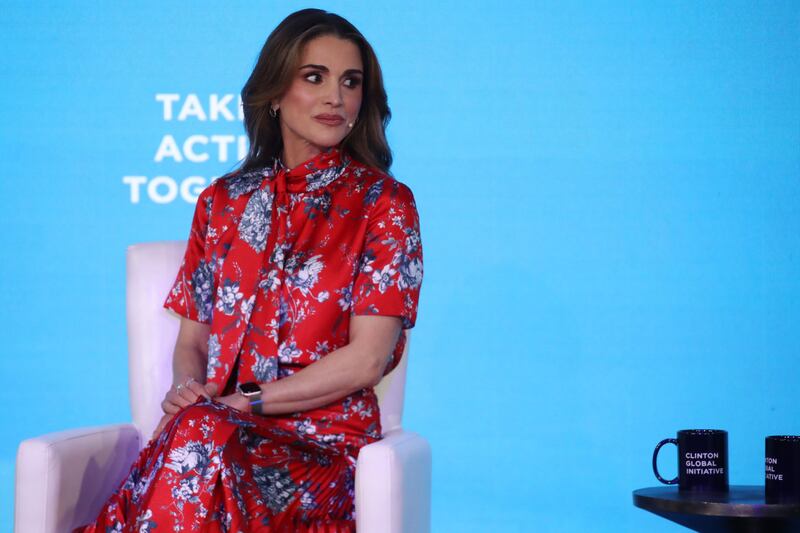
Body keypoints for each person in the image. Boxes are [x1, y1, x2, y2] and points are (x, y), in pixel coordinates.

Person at [74, 8, 423, 532]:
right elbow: (193, 342)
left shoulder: (385, 205)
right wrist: (189, 390)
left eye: (350, 82)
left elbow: (366, 361)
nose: (335, 97)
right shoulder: (221, 203)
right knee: (198, 433)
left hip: (321, 449)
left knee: (198, 441)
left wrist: (245, 403)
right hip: (217, 432)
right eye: (314, 77)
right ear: (275, 94)